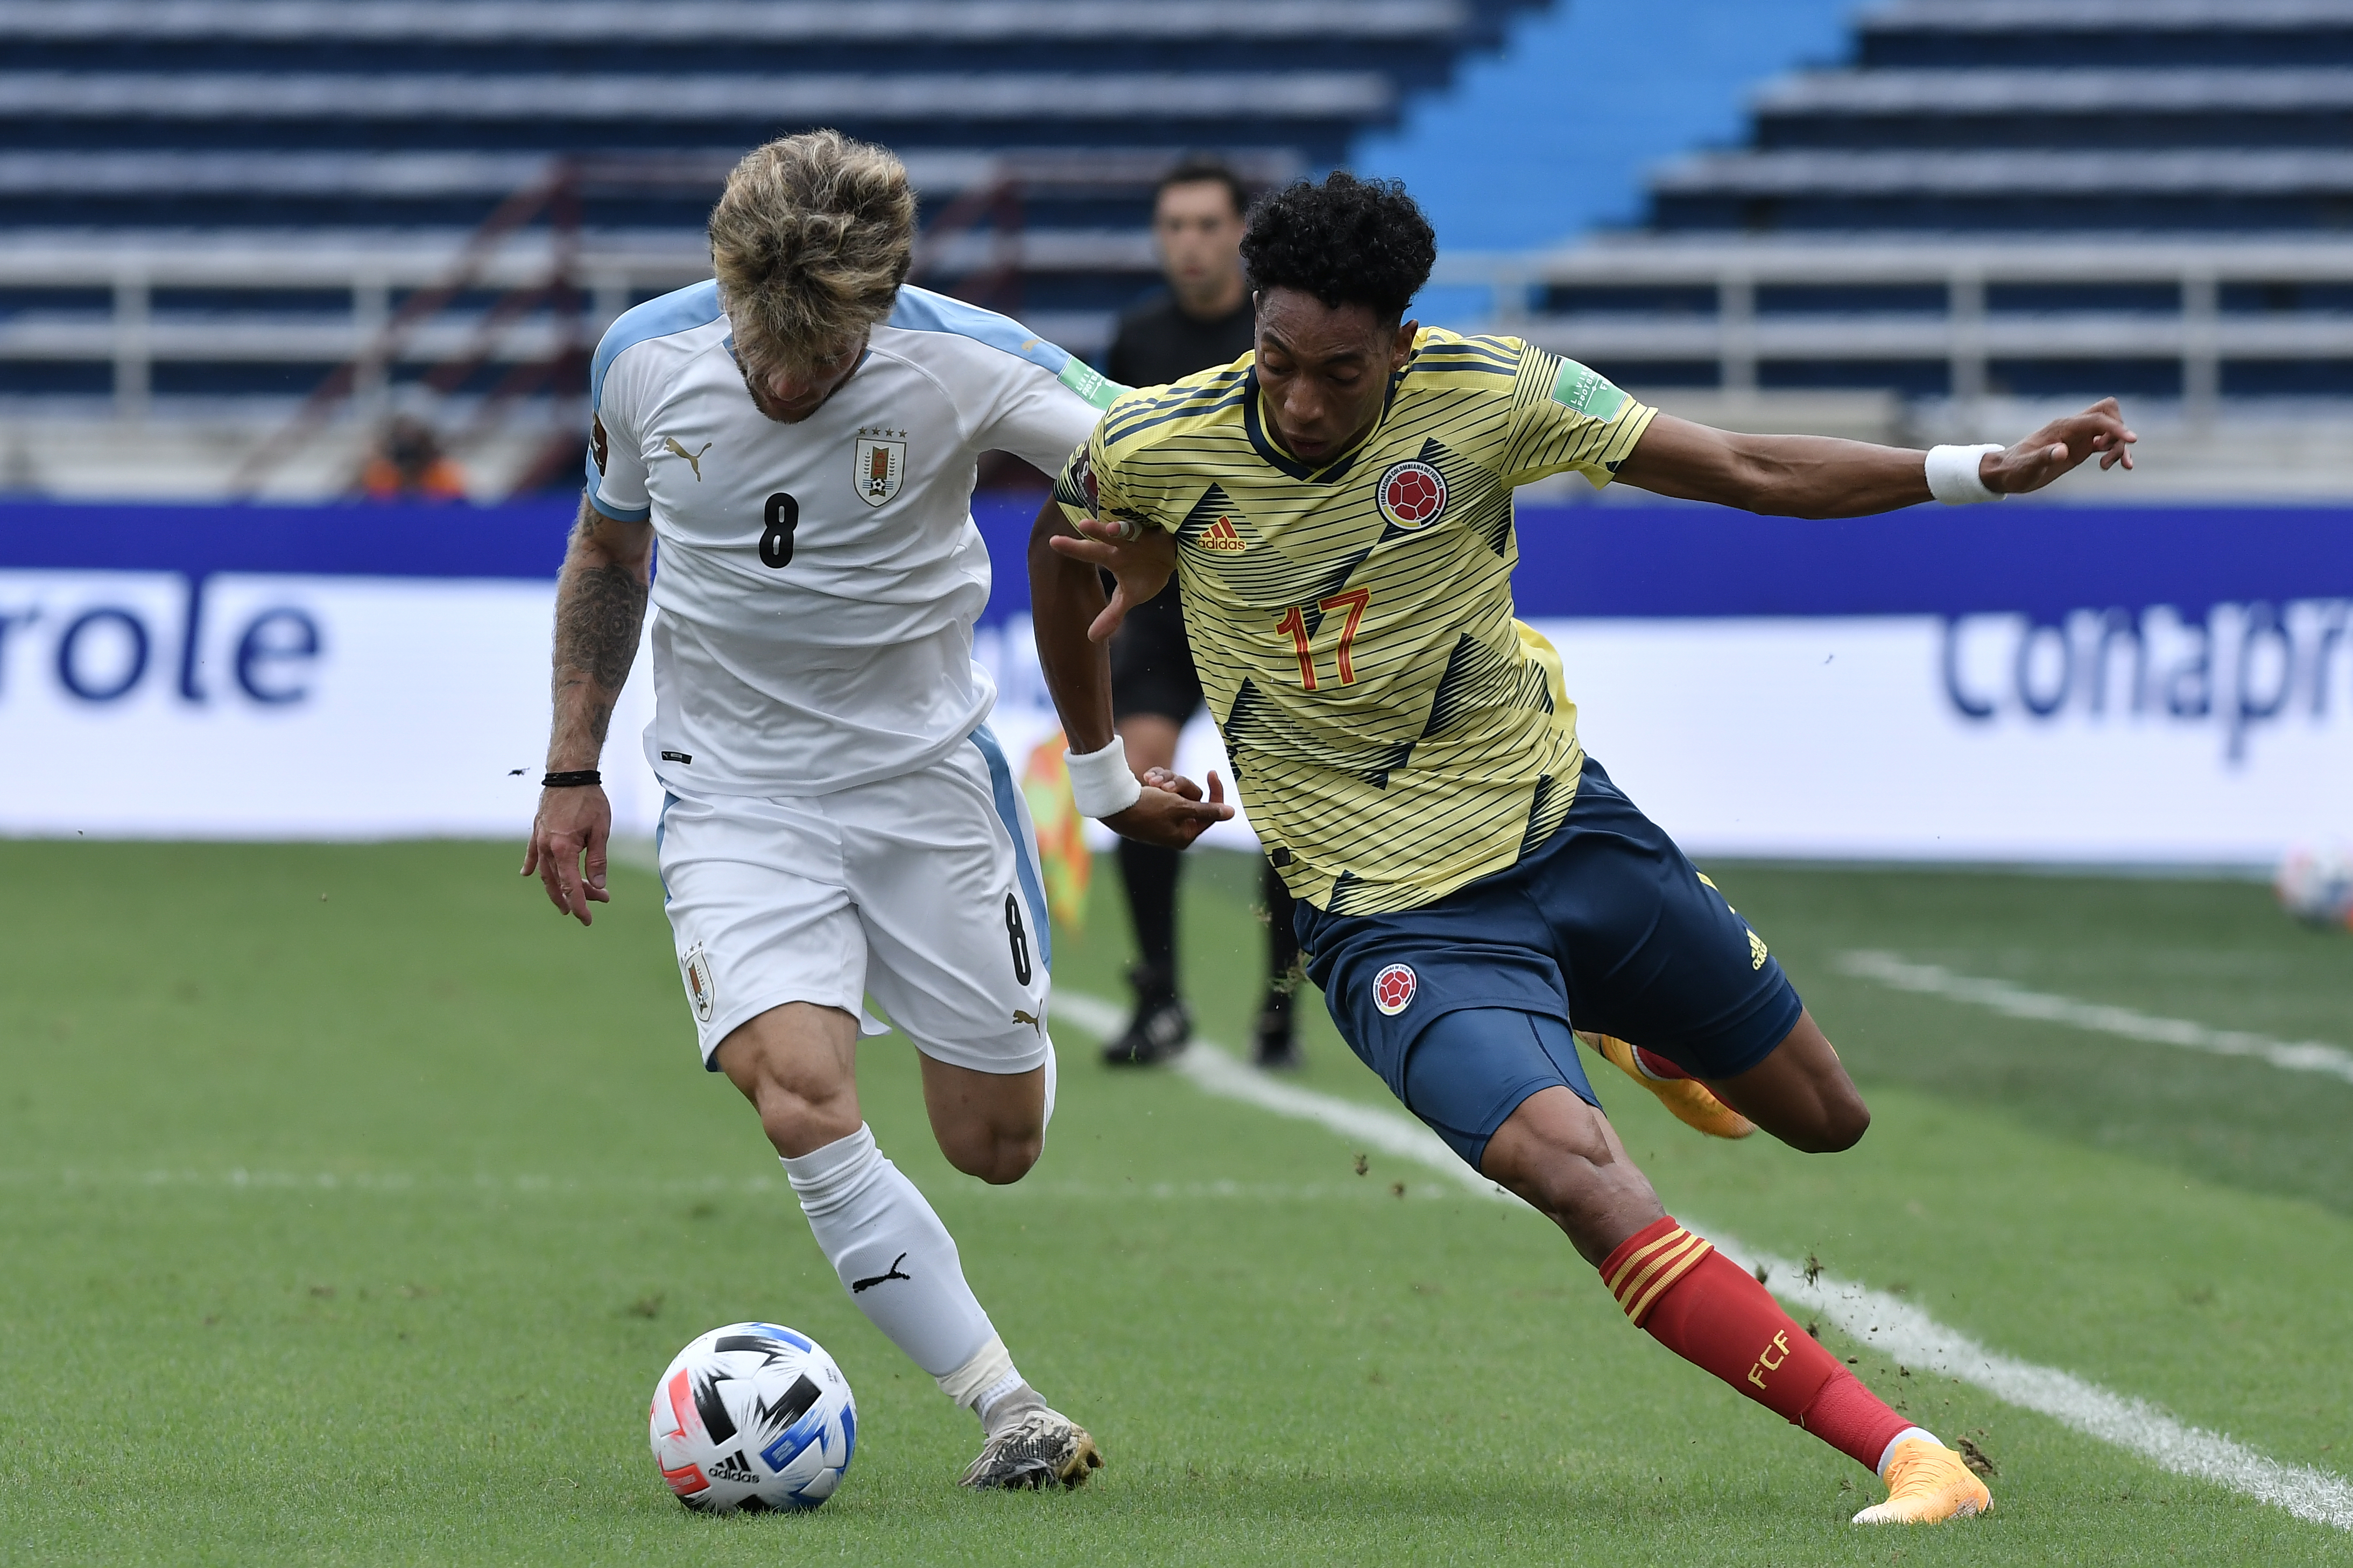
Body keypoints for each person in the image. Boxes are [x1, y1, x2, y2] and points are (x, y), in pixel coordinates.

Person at [1030, 172, 2138, 1524]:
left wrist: (1975, 473)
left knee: (1823, 1117)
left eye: (1341, 372)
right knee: (1581, 1175)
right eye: (1277, 363)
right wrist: (1098, 775)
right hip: (1391, 917)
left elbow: (1738, 466)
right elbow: (1054, 543)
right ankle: (1908, 1452)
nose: (1303, 402)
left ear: (1402, 342)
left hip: (1565, 830)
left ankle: (1631, 1025)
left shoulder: (1496, 393)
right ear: (1249, 325)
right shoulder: (1158, 438)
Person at [523, 130, 1121, 1493]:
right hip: (732, 794)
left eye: (826, 353)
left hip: (925, 784)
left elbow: (1163, 462)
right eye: (762, 344)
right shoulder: (642, 357)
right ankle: (1007, 1402)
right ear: (724, 288)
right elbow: (609, 551)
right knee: (798, 1097)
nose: (788, 378)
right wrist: (573, 767)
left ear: (885, 301)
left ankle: (988, 1011)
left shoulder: (976, 359)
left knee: (995, 1146)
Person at [1096, 157, 1305, 1069]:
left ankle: (1280, 1009)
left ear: (1240, 236)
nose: (1189, 241)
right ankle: (1160, 995)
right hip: (1163, 610)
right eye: (1173, 225)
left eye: (1206, 224)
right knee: (1138, 788)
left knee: (1294, 817)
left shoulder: (1285, 335)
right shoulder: (1135, 340)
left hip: (1267, 611)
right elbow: (1108, 473)